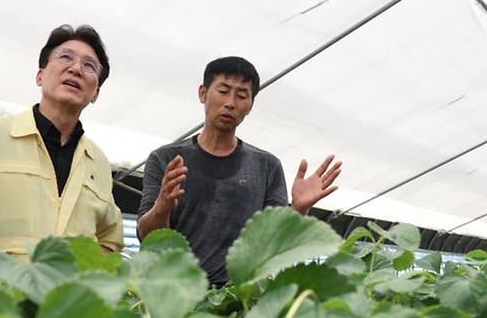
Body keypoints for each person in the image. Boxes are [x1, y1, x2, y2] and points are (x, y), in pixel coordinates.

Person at [0, 24, 123, 283]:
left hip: (62, 307)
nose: (76, 69)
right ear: (40, 76)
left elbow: (110, 238)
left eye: (89, 65)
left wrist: (87, 284)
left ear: (96, 93)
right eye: (65, 57)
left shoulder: (98, 162)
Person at [137, 56, 342, 287]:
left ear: (250, 105)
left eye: (242, 96)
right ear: (203, 93)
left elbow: (274, 246)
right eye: (223, 91)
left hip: (239, 297)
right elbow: (147, 238)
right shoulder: (166, 159)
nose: (230, 103)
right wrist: (162, 207)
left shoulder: (267, 166)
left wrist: (299, 210)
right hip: (175, 292)